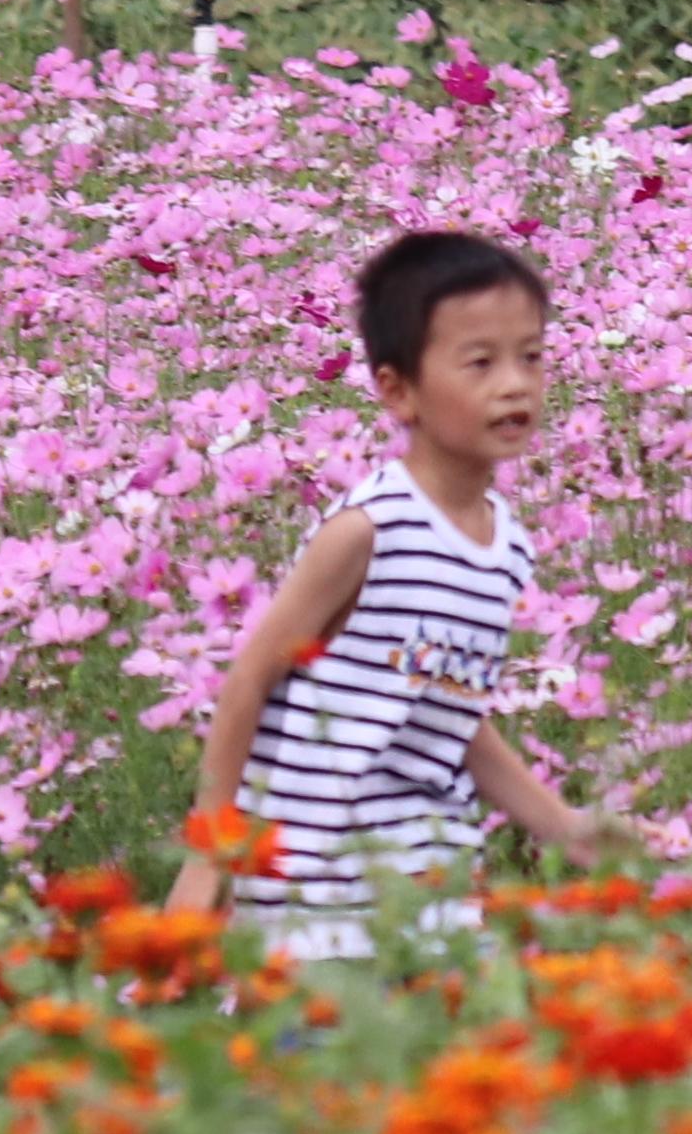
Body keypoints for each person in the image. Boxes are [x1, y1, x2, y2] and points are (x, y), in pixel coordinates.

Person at [165, 228, 615, 960]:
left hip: (427, 880)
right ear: (397, 390)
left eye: (531, 357)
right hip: (311, 895)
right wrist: (209, 853)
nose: (514, 383)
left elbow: (450, 708)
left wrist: (566, 828)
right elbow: (251, 677)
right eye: (480, 362)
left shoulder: (505, 543)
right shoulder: (367, 531)